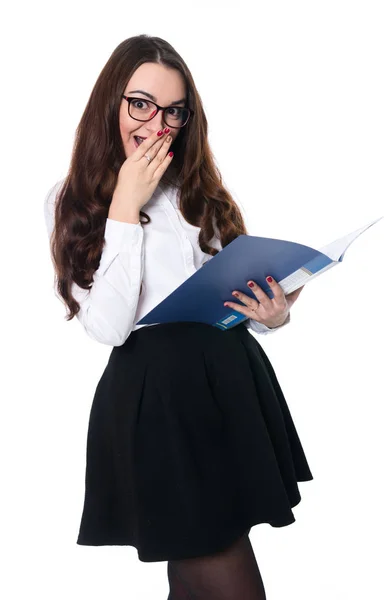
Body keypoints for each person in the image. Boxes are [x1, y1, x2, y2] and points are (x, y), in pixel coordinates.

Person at [44, 34, 313, 600]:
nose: (155, 124)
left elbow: (230, 293)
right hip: (159, 400)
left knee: (198, 574)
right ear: (111, 103)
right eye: (140, 103)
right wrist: (124, 206)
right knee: (218, 566)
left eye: (172, 111)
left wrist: (271, 314)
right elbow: (109, 327)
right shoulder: (71, 199)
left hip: (229, 383)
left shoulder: (199, 191)